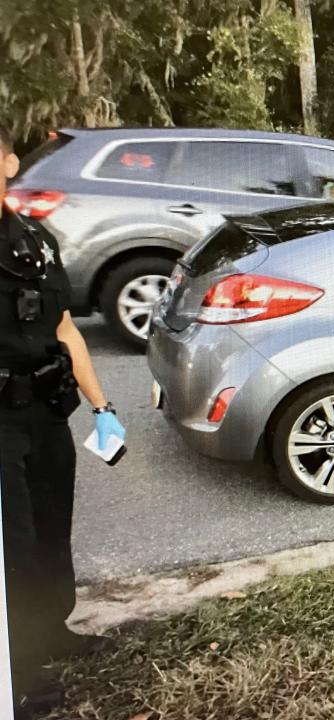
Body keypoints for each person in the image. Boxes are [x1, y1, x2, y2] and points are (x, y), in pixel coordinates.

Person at [0, 125, 126, 717]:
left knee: (51, 532)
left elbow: (65, 329)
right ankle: (13, 674)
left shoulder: (34, 241)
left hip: (46, 414)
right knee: (12, 548)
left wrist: (103, 407)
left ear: (8, 162)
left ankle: (51, 632)